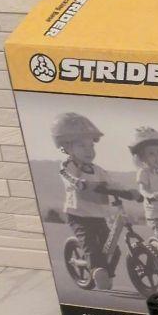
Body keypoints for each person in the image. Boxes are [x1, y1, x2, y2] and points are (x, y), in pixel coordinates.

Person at [52, 111, 114, 290]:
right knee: (91, 247)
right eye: (82, 145)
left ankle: (105, 273)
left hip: (98, 215)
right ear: (67, 147)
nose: (89, 150)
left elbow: (111, 182)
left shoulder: (97, 170)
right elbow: (66, 175)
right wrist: (77, 181)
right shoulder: (68, 166)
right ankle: (97, 271)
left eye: (91, 146)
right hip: (78, 216)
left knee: (112, 247)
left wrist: (127, 191)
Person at [129, 126, 158, 246]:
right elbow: (143, 189)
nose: (157, 156)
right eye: (151, 154)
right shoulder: (144, 172)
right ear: (142, 158)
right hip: (157, 217)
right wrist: (151, 195)